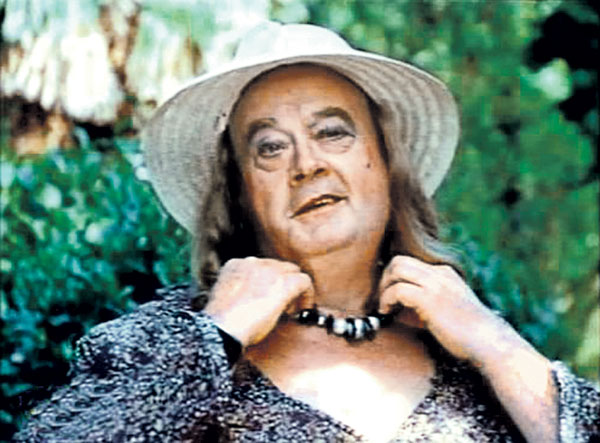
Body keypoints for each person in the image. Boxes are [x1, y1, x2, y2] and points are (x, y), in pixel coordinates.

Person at [15, 22, 598, 442]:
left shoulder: (467, 342)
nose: (307, 164)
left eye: (333, 133)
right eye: (269, 148)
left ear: (385, 163)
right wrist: (216, 335)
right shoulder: (161, 341)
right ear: (241, 193)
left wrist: (495, 343)